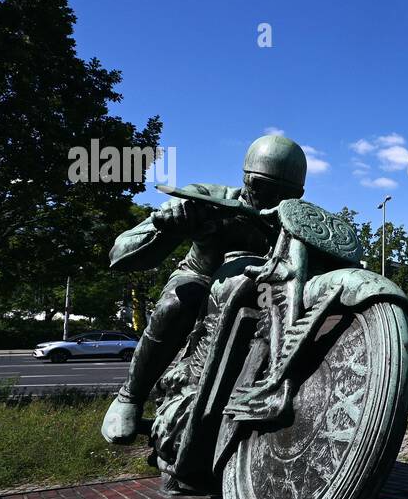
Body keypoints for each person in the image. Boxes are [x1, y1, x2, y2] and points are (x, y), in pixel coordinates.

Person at [100, 134, 307, 443]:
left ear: (298, 194)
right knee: (176, 305)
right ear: (246, 179)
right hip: (202, 280)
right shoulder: (207, 199)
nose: (270, 199)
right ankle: (130, 395)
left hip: (264, 293)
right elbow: (120, 253)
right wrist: (165, 226)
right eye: (262, 187)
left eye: (285, 193)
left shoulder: (293, 222)